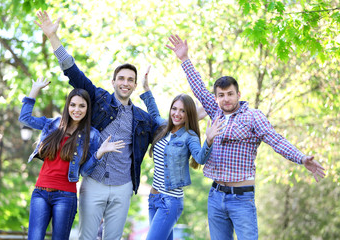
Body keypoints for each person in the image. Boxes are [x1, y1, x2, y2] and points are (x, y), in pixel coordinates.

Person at [166, 34, 326, 240]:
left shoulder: (253, 117)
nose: (226, 99)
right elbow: (198, 87)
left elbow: (276, 140)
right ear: (216, 97)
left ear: (238, 94)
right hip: (215, 196)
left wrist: (302, 158)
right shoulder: (214, 111)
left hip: (241, 199)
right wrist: (184, 59)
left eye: (230, 94)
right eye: (221, 95)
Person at [34, 11, 158, 240]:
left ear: (134, 86)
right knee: (87, 237)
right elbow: (73, 72)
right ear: (113, 82)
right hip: (94, 182)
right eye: (121, 78)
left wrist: (151, 95)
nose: (125, 83)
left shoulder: (142, 118)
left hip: (123, 186)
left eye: (130, 79)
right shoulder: (99, 99)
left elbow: (162, 127)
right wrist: (53, 37)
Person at [18, 77, 125, 240]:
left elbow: (83, 170)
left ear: (87, 109)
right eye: (73, 105)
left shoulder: (92, 135)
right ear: (67, 106)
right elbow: (25, 118)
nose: (77, 109)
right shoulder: (52, 124)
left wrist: (99, 153)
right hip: (40, 192)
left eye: (82, 106)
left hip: (65, 196)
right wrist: (35, 90)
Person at [139, 67, 225, 240]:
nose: (177, 113)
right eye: (175, 109)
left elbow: (200, 158)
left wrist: (208, 141)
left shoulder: (189, 136)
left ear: (188, 114)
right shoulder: (163, 128)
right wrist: (146, 88)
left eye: (182, 111)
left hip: (170, 202)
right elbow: (153, 110)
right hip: (153, 200)